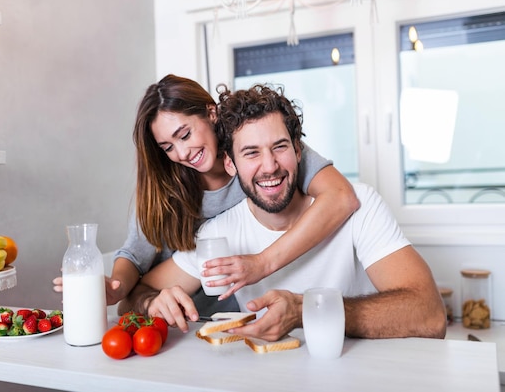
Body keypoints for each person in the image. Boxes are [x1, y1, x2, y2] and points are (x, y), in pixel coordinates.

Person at [126, 83, 447, 341]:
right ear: (230, 164)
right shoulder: (217, 235)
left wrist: (308, 310)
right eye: (251, 153)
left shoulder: (361, 206)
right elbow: (137, 294)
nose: (269, 167)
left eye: (279, 147)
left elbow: (430, 314)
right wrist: (152, 302)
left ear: (298, 150)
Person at [54, 74, 360, 316]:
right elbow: (134, 256)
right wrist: (117, 290)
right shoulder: (166, 190)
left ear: (210, 113)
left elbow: (341, 196)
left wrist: (262, 263)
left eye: (185, 134)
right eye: (168, 147)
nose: (183, 152)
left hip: (242, 314)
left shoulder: (263, 152)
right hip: (182, 321)